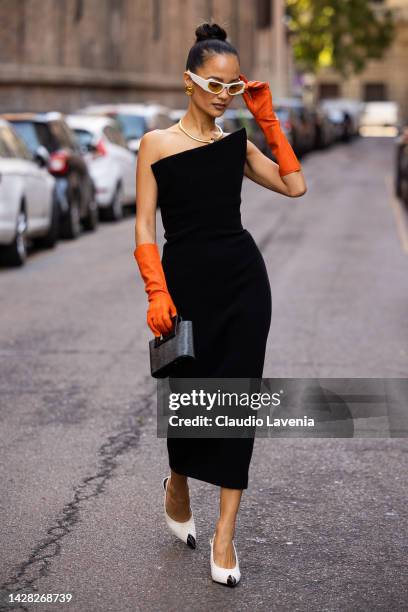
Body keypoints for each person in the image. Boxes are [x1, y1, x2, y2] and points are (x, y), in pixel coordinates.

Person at [133, 21, 306, 587]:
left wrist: (266, 119)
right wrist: (157, 291)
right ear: (188, 81)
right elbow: (143, 229)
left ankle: (225, 535)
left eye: (234, 88)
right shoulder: (156, 143)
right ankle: (177, 479)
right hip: (184, 286)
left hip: (242, 284)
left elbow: (294, 186)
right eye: (215, 84)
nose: (223, 96)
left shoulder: (237, 145)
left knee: (236, 405)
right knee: (187, 401)